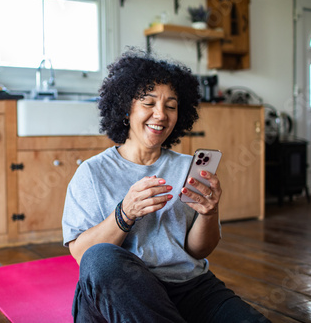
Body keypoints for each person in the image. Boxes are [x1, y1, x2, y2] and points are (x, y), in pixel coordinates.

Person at [62, 49, 270, 323]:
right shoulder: (92, 172)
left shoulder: (188, 168)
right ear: (126, 107)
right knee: (101, 258)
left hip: (188, 287)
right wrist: (124, 213)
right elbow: (83, 256)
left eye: (171, 106)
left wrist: (209, 213)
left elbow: (197, 251)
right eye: (149, 103)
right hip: (121, 292)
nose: (160, 114)